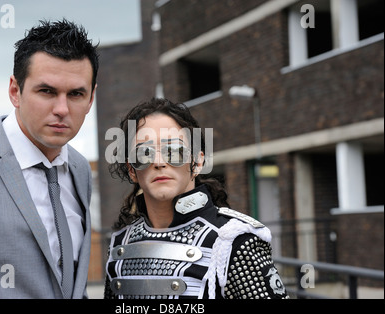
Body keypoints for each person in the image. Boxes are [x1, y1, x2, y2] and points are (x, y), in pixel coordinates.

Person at [0, 19, 99, 299]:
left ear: (91, 98)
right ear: (15, 91)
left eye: (75, 94)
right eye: (46, 91)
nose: (62, 109)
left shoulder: (79, 168)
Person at [104, 97, 289, 299]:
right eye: (144, 153)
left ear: (197, 162)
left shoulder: (234, 240)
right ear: (132, 169)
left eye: (174, 150)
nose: (158, 162)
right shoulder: (120, 245)